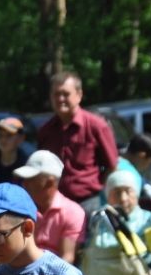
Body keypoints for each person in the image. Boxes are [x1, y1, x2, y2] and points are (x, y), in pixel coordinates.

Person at [36, 71, 119, 213]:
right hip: (55, 204)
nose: (60, 99)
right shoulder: (46, 131)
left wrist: (97, 188)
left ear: (79, 95)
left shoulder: (96, 126)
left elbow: (112, 165)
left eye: (65, 94)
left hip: (88, 203)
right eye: (56, 94)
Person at [13, 149, 85, 262]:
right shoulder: (20, 208)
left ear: (50, 182)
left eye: (31, 179)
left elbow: (66, 258)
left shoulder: (73, 212)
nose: (25, 184)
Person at [118, 132, 151, 215]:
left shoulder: (111, 161)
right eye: (149, 163)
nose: (148, 167)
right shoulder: (133, 175)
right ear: (141, 156)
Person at [0, 117, 28, 184]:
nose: (3, 140)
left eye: (9, 135)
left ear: (21, 138)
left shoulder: (26, 165)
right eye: (0, 135)